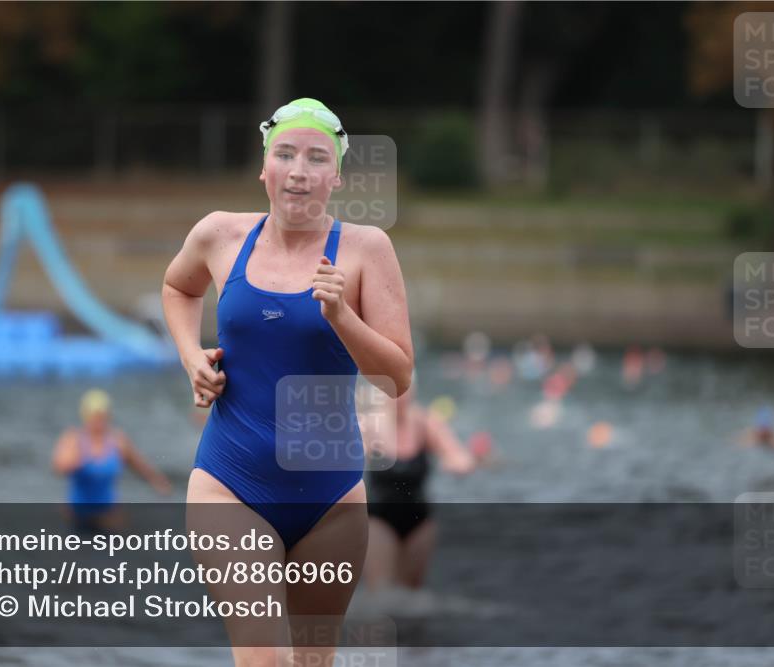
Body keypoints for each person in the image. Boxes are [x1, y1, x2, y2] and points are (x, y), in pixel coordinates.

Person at [162, 98, 413, 665]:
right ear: (264, 168)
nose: (299, 170)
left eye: (316, 157)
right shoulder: (220, 235)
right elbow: (179, 289)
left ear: (337, 176)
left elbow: (396, 376)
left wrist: (343, 317)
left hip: (332, 501)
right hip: (231, 483)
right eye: (286, 154)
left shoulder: (368, 249)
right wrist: (189, 356)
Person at [361, 375, 474, 592]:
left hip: (419, 521)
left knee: (411, 596)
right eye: (394, 392)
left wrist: (456, 463)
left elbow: (459, 456)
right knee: (381, 593)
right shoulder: (371, 424)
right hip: (379, 519)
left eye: (406, 390)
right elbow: (348, 455)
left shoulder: (425, 423)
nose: (400, 397)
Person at [52, 389, 173, 533]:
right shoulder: (73, 439)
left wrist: (158, 482)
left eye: (102, 416)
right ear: (86, 416)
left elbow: (139, 465)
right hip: (77, 514)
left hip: (107, 513)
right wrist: (82, 459)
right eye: (94, 416)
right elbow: (59, 466)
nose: (99, 421)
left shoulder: (117, 441)